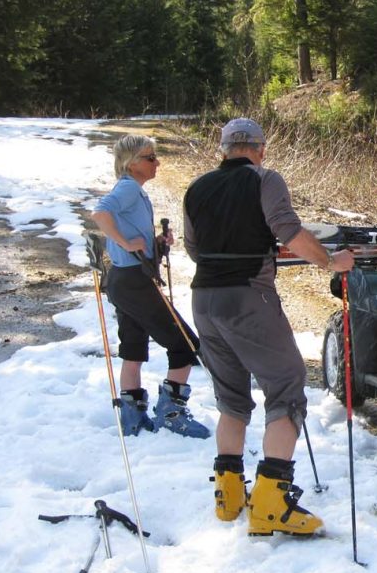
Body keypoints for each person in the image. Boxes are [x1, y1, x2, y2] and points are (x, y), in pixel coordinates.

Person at [183, 118, 354, 536]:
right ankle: (271, 504)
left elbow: (192, 248)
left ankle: (228, 497)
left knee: (232, 397)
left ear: (223, 149)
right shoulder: (265, 179)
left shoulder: (197, 188)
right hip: (248, 299)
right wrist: (332, 262)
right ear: (259, 148)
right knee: (286, 387)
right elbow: (288, 231)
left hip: (204, 300)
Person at [91, 135, 209, 439]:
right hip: (134, 282)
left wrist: (155, 245)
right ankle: (172, 414)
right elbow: (100, 214)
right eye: (150, 157)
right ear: (132, 164)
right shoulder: (129, 187)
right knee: (185, 344)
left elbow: (127, 233)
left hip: (123, 279)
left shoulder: (134, 190)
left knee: (133, 349)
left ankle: (132, 418)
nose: (157, 162)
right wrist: (125, 242)